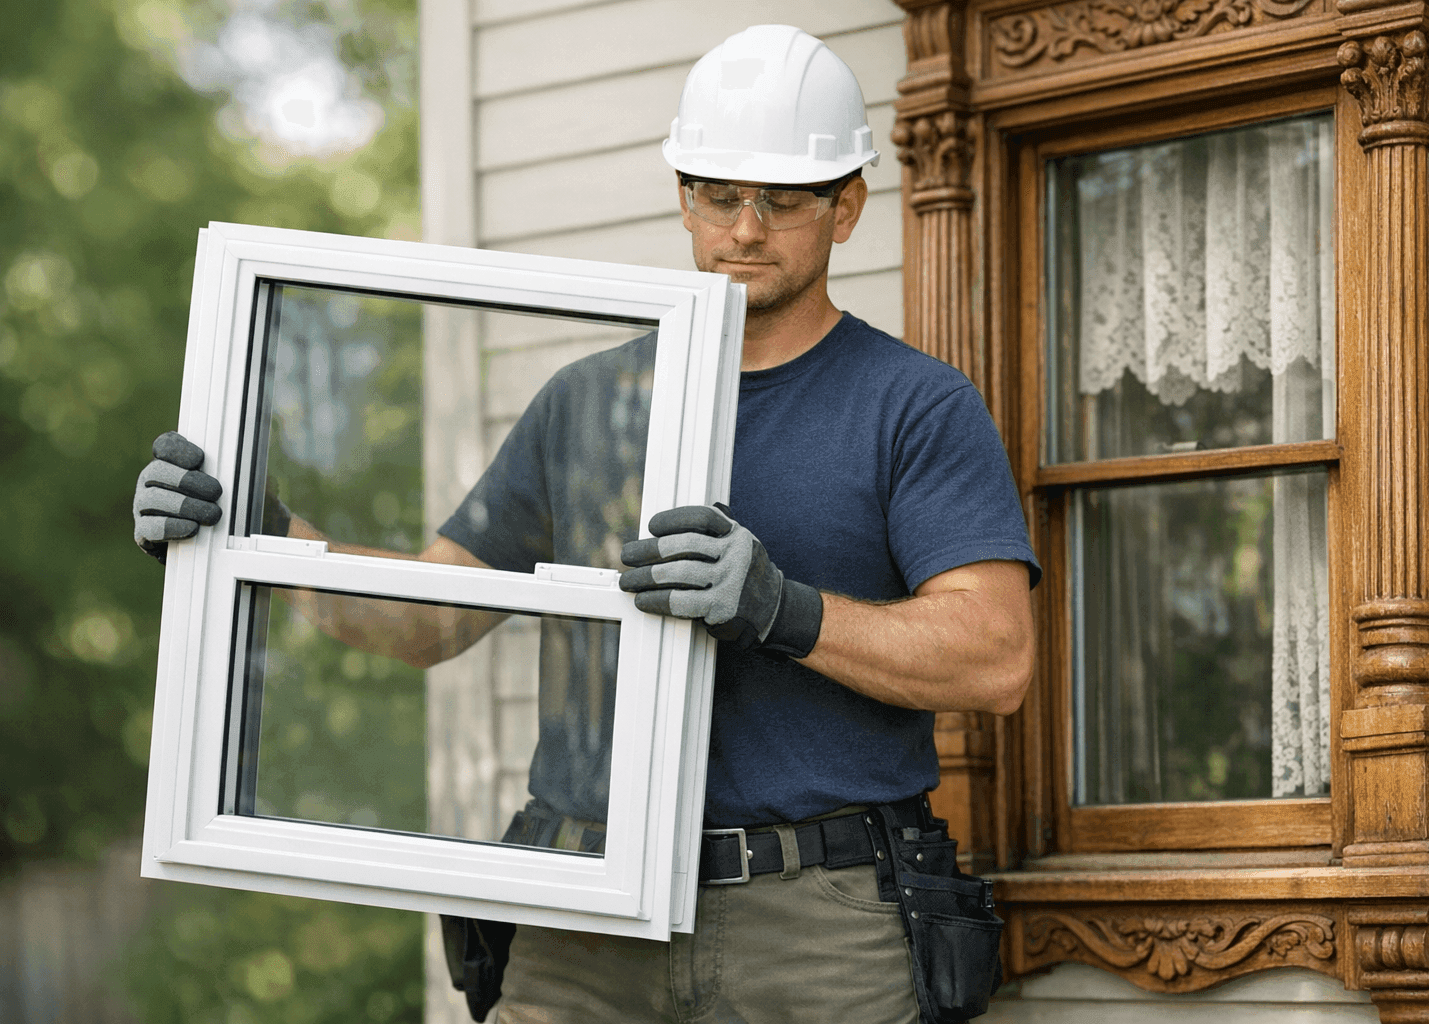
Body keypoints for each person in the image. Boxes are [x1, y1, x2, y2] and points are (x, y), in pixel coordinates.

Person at [134, 24, 1040, 1024]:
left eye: (783, 201)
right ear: (682, 198)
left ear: (846, 207)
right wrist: (252, 530)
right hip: (580, 910)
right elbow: (426, 619)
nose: (745, 230)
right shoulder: (587, 402)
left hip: (814, 923)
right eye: (718, 195)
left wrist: (782, 609)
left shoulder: (911, 404)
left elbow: (993, 658)